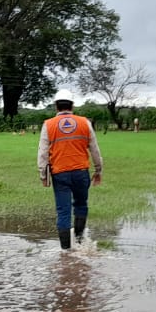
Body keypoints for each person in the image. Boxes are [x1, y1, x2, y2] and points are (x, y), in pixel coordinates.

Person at [37, 92, 103, 250]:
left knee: (63, 211)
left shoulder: (49, 124)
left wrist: (43, 175)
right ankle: (79, 241)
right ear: (72, 106)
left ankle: (65, 250)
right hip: (81, 171)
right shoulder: (84, 123)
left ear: (56, 106)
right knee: (81, 205)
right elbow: (94, 148)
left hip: (60, 173)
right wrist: (98, 169)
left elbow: (42, 152)